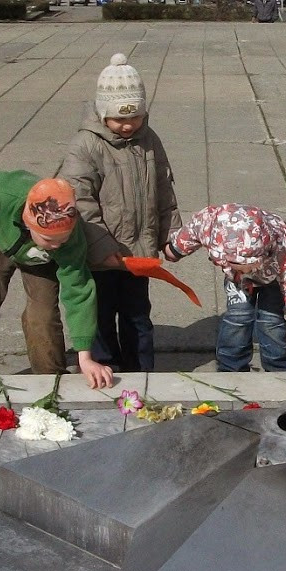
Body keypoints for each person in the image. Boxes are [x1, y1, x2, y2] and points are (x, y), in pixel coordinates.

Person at [62, 52, 180, 373]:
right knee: (100, 316)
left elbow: (163, 187)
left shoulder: (149, 140)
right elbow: (80, 201)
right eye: (119, 119)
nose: (128, 125)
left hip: (137, 253)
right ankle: (104, 368)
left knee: (137, 316)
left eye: (135, 117)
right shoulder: (85, 146)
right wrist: (103, 249)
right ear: (102, 113)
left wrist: (172, 235)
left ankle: (141, 372)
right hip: (100, 257)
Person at [0, 173, 114, 388]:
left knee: (43, 315)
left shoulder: (69, 241)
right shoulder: (2, 194)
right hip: (0, 239)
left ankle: (50, 379)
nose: (56, 246)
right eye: (48, 240)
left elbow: (79, 292)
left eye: (62, 240)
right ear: (28, 222)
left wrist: (85, 357)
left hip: (41, 262)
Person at [165, 203, 286, 372]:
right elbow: (193, 229)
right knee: (238, 316)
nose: (247, 270)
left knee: (271, 320)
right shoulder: (212, 227)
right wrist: (174, 250)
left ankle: (278, 366)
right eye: (240, 265)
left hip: (274, 277)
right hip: (236, 279)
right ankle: (231, 367)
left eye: (251, 264)